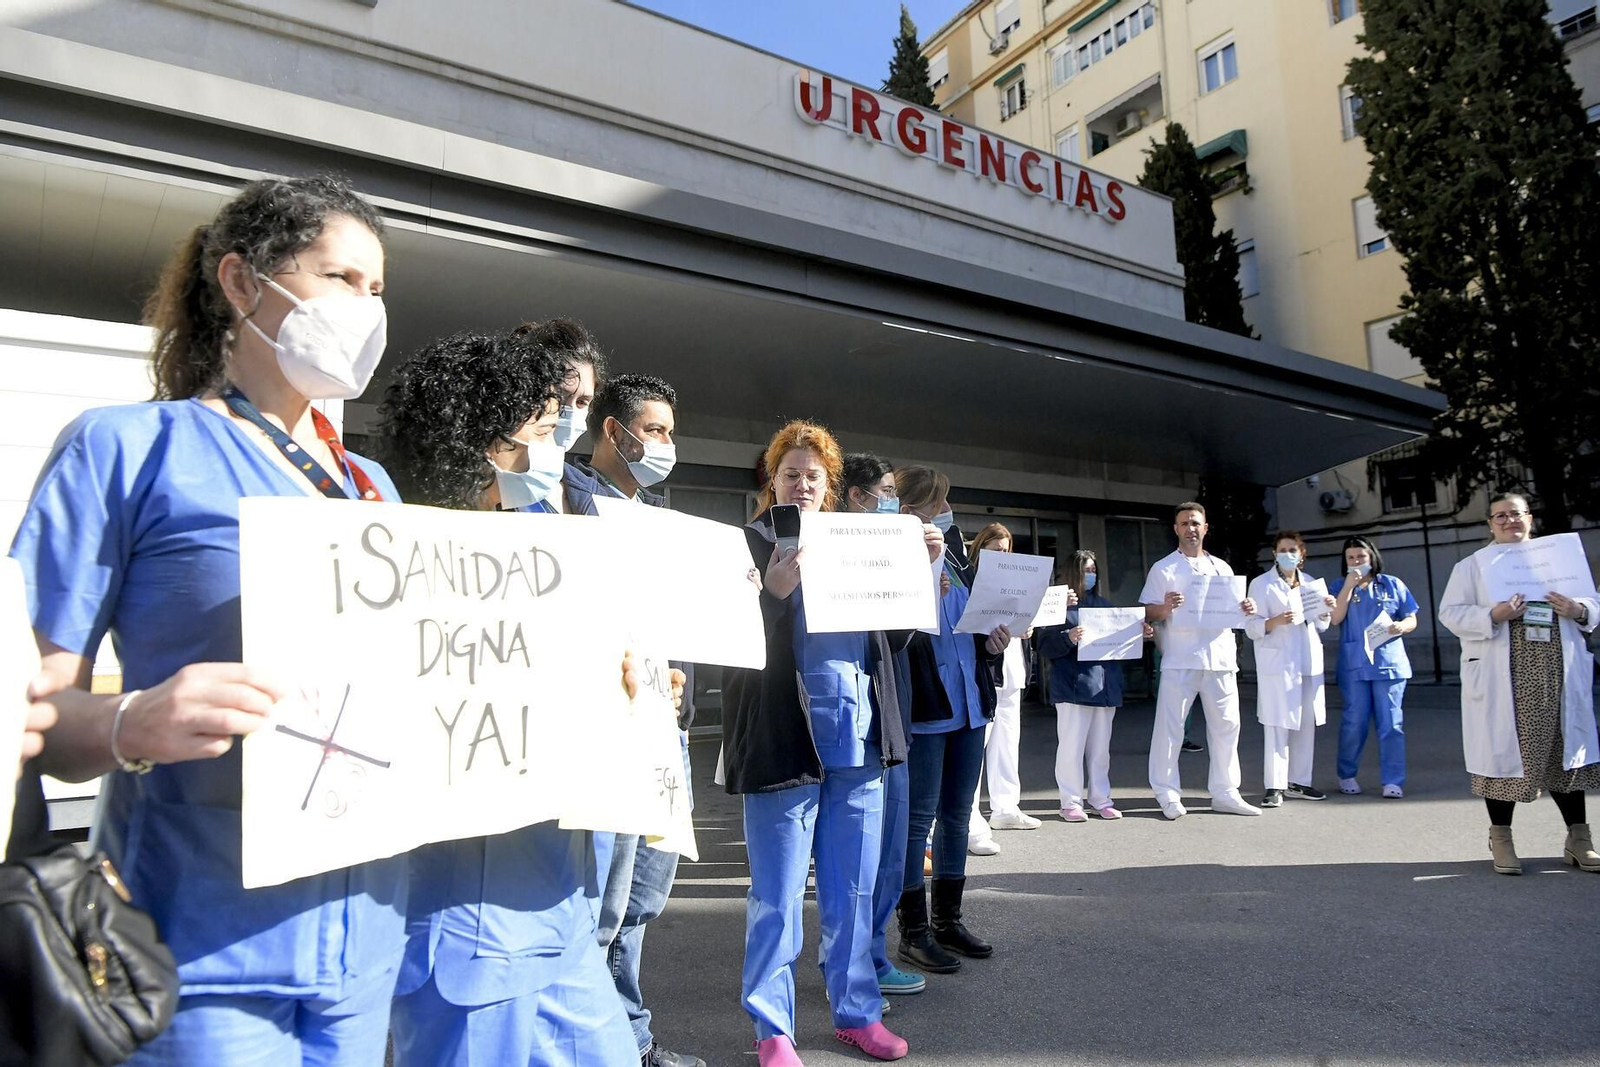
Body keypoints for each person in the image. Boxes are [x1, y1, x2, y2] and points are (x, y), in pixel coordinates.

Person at [9, 175, 406, 1065]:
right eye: (342, 278)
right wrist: (127, 721)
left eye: (378, 290)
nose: (366, 309)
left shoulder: (374, 489)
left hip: (366, 951)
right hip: (198, 958)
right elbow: (26, 717)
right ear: (241, 283)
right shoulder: (126, 449)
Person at [378, 331, 668, 1066]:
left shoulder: (541, 531)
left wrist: (628, 681)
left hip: (559, 912)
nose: (553, 448)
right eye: (541, 430)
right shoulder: (405, 555)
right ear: (484, 446)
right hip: (469, 932)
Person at [722, 422, 927, 1066]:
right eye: (791, 472)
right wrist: (774, 600)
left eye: (815, 475)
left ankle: (856, 1013)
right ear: (772, 480)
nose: (803, 483)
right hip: (783, 742)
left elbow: (891, 642)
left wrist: (915, 571)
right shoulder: (745, 548)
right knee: (777, 897)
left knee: (854, 890)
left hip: (859, 741)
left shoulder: (857, 546)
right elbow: (724, 642)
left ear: (830, 486)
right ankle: (773, 1030)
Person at [580, 372, 704, 1067]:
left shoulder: (659, 519)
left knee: (641, 899)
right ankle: (595, 1045)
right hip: (608, 735)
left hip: (663, 725)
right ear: (614, 431)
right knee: (601, 904)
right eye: (653, 430)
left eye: (668, 431)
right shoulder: (569, 504)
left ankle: (629, 1036)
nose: (665, 443)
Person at [1438, 493, 1600, 875]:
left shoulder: (1560, 559)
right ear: (1490, 524)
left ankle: (1579, 839)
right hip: (1505, 673)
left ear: (1530, 518)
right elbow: (1450, 613)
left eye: (1516, 514)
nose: (1509, 521)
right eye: (1500, 516)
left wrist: (1578, 610)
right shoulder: (1473, 565)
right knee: (1504, 758)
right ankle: (1501, 838)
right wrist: (1493, 613)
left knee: (1566, 754)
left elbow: (1593, 602)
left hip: (1557, 670)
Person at [895, 466, 1010, 976]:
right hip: (927, 705)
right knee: (917, 821)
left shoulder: (960, 555)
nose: (944, 511)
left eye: (945, 502)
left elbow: (972, 628)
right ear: (911, 507)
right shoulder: (896, 555)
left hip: (969, 702)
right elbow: (898, 636)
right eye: (936, 501)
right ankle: (913, 932)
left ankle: (948, 921)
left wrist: (993, 643)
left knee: (958, 817)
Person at [838, 454, 926, 1000]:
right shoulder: (831, 554)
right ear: (857, 497)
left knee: (891, 849)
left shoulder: (898, 553)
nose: (894, 501)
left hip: (890, 719)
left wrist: (923, 573)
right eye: (886, 491)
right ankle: (850, 967)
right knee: (857, 860)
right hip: (850, 722)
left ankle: (872, 953)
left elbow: (894, 638)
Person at [1141, 502, 1261, 819]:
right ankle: (1167, 793)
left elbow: (1235, 611)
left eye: (1195, 523)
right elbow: (1146, 611)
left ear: (1205, 528)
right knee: (1170, 729)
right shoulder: (1163, 569)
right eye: (1184, 524)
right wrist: (1164, 608)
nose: (1190, 528)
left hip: (1220, 658)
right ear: (1176, 529)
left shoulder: (1222, 568)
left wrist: (1246, 607)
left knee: (1227, 727)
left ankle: (1225, 792)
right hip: (1180, 657)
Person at [1037, 550, 1150, 821]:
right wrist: (1068, 636)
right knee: (1071, 749)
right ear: (1071, 573)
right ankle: (1070, 802)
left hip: (1105, 688)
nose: (1090, 576)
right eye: (1085, 571)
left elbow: (1121, 644)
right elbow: (1043, 645)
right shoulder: (1058, 605)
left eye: (1093, 571)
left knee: (1100, 750)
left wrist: (1141, 634)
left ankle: (1101, 798)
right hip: (1073, 688)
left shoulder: (1105, 606)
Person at [1246, 532, 1335, 808]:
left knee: (1306, 723)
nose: (1287, 554)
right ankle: (1275, 785)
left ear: (1302, 553)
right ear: (1274, 554)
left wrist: (1325, 609)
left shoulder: (1310, 584)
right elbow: (1251, 627)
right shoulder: (1261, 584)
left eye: (1292, 549)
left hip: (1307, 661)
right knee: (1277, 724)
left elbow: (1322, 625)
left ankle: (1299, 781)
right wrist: (1276, 620)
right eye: (1282, 549)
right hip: (1278, 662)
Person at [1327, 536, 1419, 798]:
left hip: (1388, 664)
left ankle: (1393, 780)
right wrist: (1348, 586)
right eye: (1351, 558)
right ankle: (1346, 774)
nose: (1357, 561)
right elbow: (1335, 619)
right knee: (1354, 721)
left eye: (1361, 557)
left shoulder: (1392, 584)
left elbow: (1411, 617)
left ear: (1372, 558)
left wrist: (1402, 626)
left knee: (1391, 722)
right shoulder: (1338, 586)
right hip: (1354, 665)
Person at [966, 523, 1041, 833]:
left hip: (1012, 670)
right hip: (986, 670)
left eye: (1007, 550)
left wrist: (1028, 626)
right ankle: (968, 815)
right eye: (997, 550)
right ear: (982, 550)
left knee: (1008, 742)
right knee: (976, 746)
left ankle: (1006, 807)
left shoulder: (1017, 582)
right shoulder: (972, 580)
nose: (1004, 555)